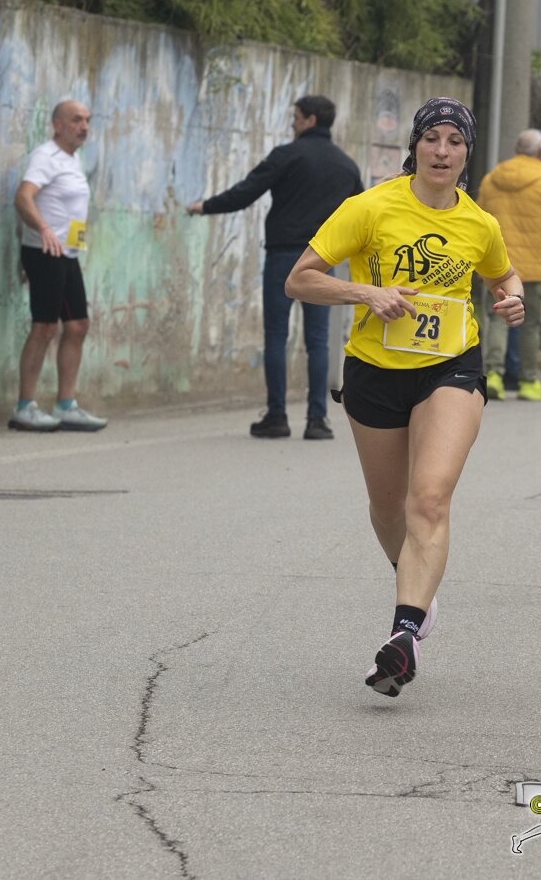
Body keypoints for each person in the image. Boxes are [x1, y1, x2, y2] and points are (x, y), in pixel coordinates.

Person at [284, 98, 524, 698]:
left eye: (455, 141)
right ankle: (416, 582)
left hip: (452, 367)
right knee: (388, 507)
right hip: (374, 371)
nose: (442, 151)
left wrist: (513, 297)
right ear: (414, 147)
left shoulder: (480, 224)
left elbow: (503, 275)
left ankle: (405, 633)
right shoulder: (370, 207)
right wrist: (366, 293)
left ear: (467, 153)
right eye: (432, 139)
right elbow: (300, 279)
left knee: (430, 498)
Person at [187, 95, 364, 440]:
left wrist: (205, 206)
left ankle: (277, 416)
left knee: (276, 336)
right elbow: (361, 213)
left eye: (296, 117)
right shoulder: (346, 165)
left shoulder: (288, 154)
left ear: (310, 120)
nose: (292, 124)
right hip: (321, 260)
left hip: (284, 256)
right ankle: (317, 420)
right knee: (318, 341)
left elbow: (246, 191)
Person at [10, 100, 106, 433]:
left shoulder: (72, 160)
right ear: (58, 125)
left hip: (68, 254)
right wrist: (44, 228)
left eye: (87, 120)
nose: (84, 127)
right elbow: (23, 197)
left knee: (78, 326)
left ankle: (66, 405)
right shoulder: (45, 157)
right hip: (45, 252)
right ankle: (25, 407)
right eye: (76, 120)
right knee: (44, 328)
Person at [477, 128, 541, 402]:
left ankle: (493, 374)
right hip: (533, 266)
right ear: (540, 152)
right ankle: (529, 381)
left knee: (496, 317)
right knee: (530, 324)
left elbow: (477, 219)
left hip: (497, 264)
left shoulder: (492, 178)